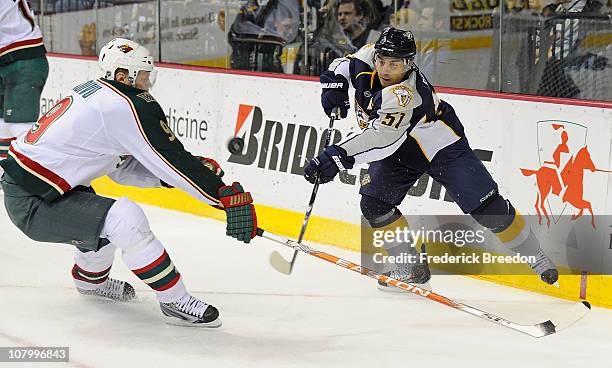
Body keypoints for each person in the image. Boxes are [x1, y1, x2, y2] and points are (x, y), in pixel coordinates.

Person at [0, 38, 258, 327]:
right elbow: (172, 160)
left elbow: (120, 168)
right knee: (124, 218)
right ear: (123, 76)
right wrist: (222, 196)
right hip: (32, 200)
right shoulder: (126, 104)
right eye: (144, 75)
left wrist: (172, 177)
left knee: (101, 219)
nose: (148, 83)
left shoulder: (99, 94)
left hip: (39, 187)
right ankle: (174, 300)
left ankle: (90, 282)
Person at [305, 27, 559, 288]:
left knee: (488, 209)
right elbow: (343, 65)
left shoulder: (405, 96)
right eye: (382, 61)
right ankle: (410, 266)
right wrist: (334, 86)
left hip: (441, 147)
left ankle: (536, 256)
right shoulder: (369, 56)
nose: (385, 69)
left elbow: (381, 140)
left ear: (409, 63)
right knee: (374, 204)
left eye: (394, 64)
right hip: (402, 150)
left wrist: (338, 156)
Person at [0, 0, 49, 178]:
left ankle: (35, 176)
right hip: (7, 58)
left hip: (24, 58)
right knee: (2, 124)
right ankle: (4, 174)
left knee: (20, 126)